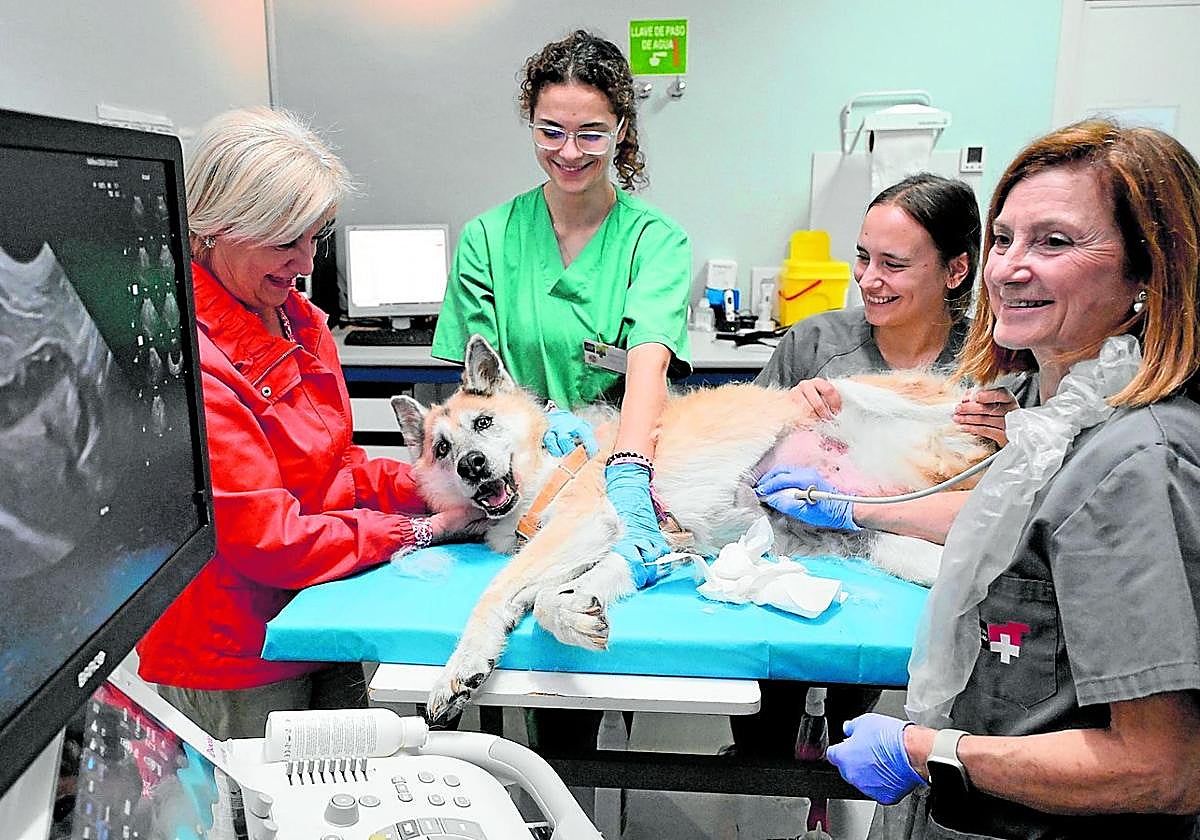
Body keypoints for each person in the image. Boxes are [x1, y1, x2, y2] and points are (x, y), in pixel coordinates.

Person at [822, 120, 1200, 838]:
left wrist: (925, 749)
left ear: (1149, 271)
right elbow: (1016, 538)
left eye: (1054, 242)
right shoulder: (1048, 419)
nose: (1008, 270)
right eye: (1003, 239)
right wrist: (858, 508)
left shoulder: (1135, 465)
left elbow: (1162, 766)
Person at [137, 107, 485, 740]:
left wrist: (448, 481)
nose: (304, 260)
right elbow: (270, 538)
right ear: (215, 226)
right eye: (284, 239)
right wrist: (421, 529)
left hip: (323, 611)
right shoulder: (192, 364)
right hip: (240, 653)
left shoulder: (298, 319)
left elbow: (337, 469)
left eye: (316, 236)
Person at [430, 31, 692, 750]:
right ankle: (552, 793)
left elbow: (647, 361)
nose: (569, 151)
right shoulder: (490, 237)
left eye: (590, 134)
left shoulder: (655, 241)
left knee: (615, 663)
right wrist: (539, 423)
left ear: (623, 131)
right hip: (531, 479)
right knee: (544, 699)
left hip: (622, 463)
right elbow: (477, 381)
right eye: (550, 130)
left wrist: (630, 471)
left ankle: (611, 793)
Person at [732, 173, 1024, 760]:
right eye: (862, 257)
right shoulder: (816, 343)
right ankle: (761, 769)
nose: (869, 279)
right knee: (766, 718)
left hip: (905, 580)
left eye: (892, 264)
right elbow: (737, 451)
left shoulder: (997, 364)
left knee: (855, 717)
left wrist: (1014, 436)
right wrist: (780, 413)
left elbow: (1014, 505)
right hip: (793, 567)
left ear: (956, 271)